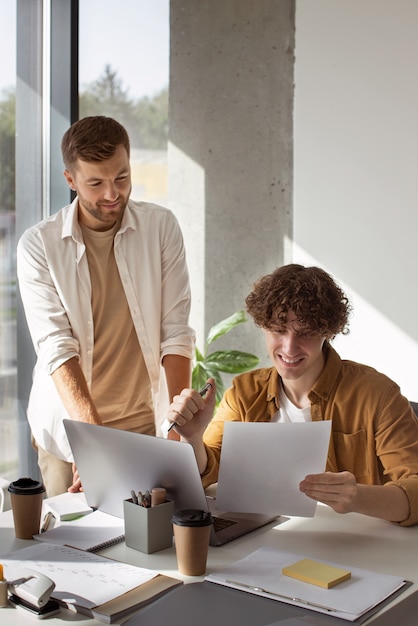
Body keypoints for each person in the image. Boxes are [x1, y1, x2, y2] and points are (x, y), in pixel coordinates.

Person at [17, 116, 195, 496]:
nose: (112, 194)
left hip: (146, 428)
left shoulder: (161, 228)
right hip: (70, 434)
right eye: (96, 183)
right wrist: (91, 444)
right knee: (72, 551)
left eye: (122, 178)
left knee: (149, 547)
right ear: (70, 180)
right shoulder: (39, 246)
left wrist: (179, 426)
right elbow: (56, 347)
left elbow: (175, 331)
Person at [166, 264, 418, 526]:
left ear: (327, 332)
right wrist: (193, 438)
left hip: (357, 547)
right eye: (278, 330)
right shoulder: (244, 394)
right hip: (267, 541)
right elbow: (208, 473)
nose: (289, 347)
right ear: (263, 327)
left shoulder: (377, 395)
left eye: (305, 332)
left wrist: (357, 498)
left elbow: (415, 489)